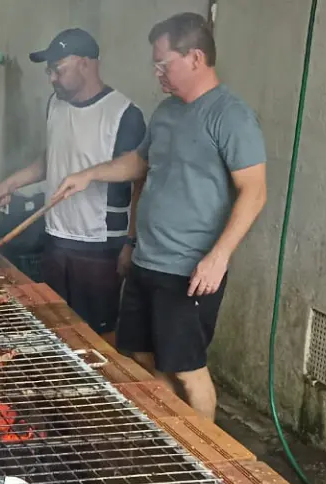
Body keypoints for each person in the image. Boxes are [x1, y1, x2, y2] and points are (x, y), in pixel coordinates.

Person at [54, 12, 267, 421]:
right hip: (148, 260)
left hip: (189, 269)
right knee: (141, 354)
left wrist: (219, 257)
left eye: (162, 63)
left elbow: (254, 192)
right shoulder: (168, 112)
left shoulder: (230, 115)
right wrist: (89, 175)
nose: (157, 74)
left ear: (195, 58)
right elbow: (140, 164)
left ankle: (205, 458)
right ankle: (173, 439)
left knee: (187, 368)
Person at [0, 28, 145, 341]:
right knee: (57, 326)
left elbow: (139, 175)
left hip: (99, 243)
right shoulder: (55, 105)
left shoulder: (123, 113)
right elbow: (55, 156)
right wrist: (13, 182)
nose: (52, 79)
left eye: (58, 70)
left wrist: (130, 242)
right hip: (56, 237)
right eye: (49, 71)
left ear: (86, 64)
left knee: (99, 335)